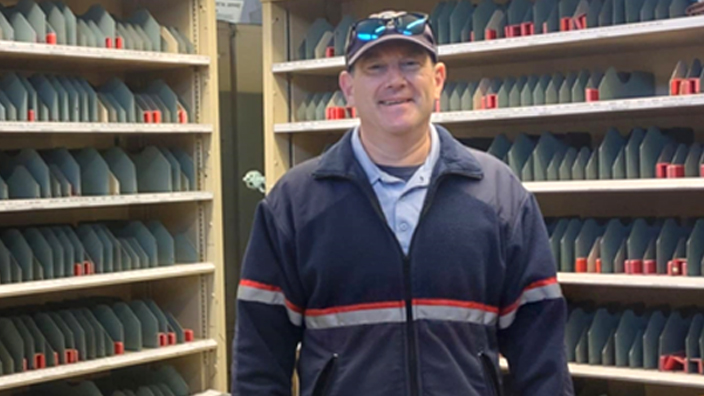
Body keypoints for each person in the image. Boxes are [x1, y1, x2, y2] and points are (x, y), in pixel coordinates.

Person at [232, 10, 574, 396]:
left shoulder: (499, 196)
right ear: (348, 88)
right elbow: (259, 360)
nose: (395, 81)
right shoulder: (295, 204)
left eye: (411, 64)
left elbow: (541, 354)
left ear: (438, 79)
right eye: (375, 67)